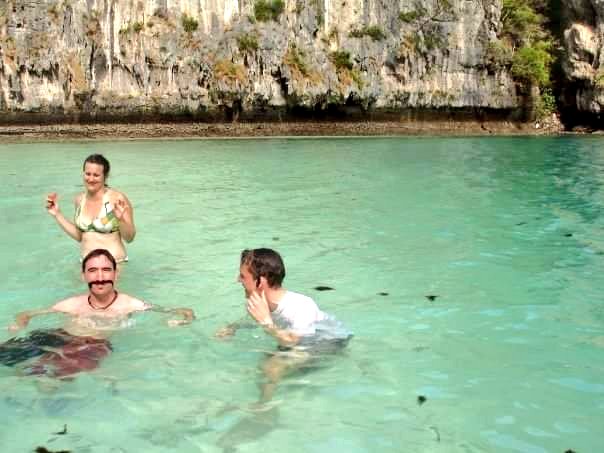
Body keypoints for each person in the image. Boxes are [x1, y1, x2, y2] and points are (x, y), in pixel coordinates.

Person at [2, 249, 195, 378]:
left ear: (115, 274)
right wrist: (20, 323)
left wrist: (182, 321)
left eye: (106, 270)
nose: (100, 277)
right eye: (93, 271)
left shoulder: (131, 304)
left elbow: (185, 311)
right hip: (57, 336)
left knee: (47, 381)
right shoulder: (71, 304)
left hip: (91, 346)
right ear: (83, 275)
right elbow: (26, 313)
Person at [216, 248, 351, 402]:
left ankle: (264, 408)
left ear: (261, 281)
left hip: (330, 340)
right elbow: (253, 319)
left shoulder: (302, 305)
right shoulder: (262, 301)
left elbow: (294, 340)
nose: (238, 280)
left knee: (271, 366)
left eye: (243, 276)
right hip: (298, 338)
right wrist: (233, 327)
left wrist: (266, 323)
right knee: (263, 362)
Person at [46, 154, 135, 263]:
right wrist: (57, 214)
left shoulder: (116, 199)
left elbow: (130, 238)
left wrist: (121, 220)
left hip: (114, 265)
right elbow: (80, 236)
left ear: (105, 176)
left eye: (96, 175)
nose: (91, 179)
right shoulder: (79, 200)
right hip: (86, 265)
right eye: (88, 174)